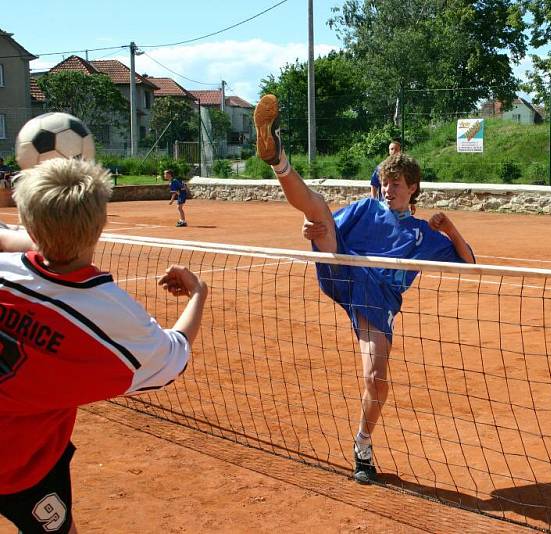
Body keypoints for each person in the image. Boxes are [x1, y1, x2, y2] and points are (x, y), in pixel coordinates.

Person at [254, 94, 475, 484]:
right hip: (345, 269)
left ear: (413, 188)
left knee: (376, 378)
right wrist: (310, 229)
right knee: (319, 209)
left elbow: (470, 262)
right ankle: (276, 156)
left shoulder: (424, 234)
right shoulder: (365, 208)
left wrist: (451, 229)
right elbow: (323, 226)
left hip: (378, 301)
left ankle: (362, 444)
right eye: (385, 183)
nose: (388, 189)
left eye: (396, 184)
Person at [0, 158, 208, 534]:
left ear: (28, 224)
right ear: (101, 225)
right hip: (24, 468)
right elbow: (174, 354)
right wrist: (198, 294)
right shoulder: (113, 320)